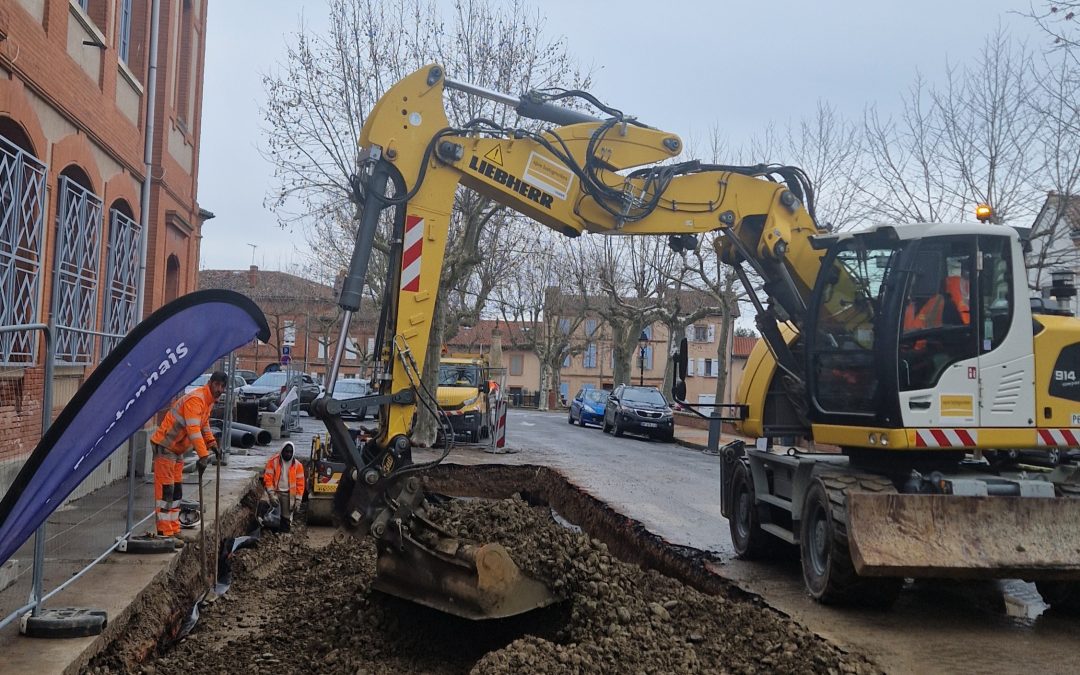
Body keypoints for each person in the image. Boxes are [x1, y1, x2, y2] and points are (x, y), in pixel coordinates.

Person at [150, 371, 225, 544]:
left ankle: (174, 528)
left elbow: (203, 425)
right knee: (166, 491)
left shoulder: (208, 402)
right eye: (218, 385)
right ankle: (165, 533)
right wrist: (203, 455)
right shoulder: (196, 400)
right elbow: (193, 429)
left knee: (176, 491)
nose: (220, 389)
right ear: (211, 383)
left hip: (177, 449)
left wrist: (212, 443)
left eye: (223, 387)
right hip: (166, 446)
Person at [263, 442, 305, 531]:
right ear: (282, 451)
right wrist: (271, 494)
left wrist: (298, 500)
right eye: (286, 451)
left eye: (290, 452)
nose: (288, 454)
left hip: (288, 494)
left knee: (286, 517)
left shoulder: (298, 465)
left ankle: (284, 532)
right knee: (269, 511)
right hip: (275, 492)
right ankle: (271, 530)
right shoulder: (273, 462)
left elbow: (300, 484)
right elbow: (268, 478)